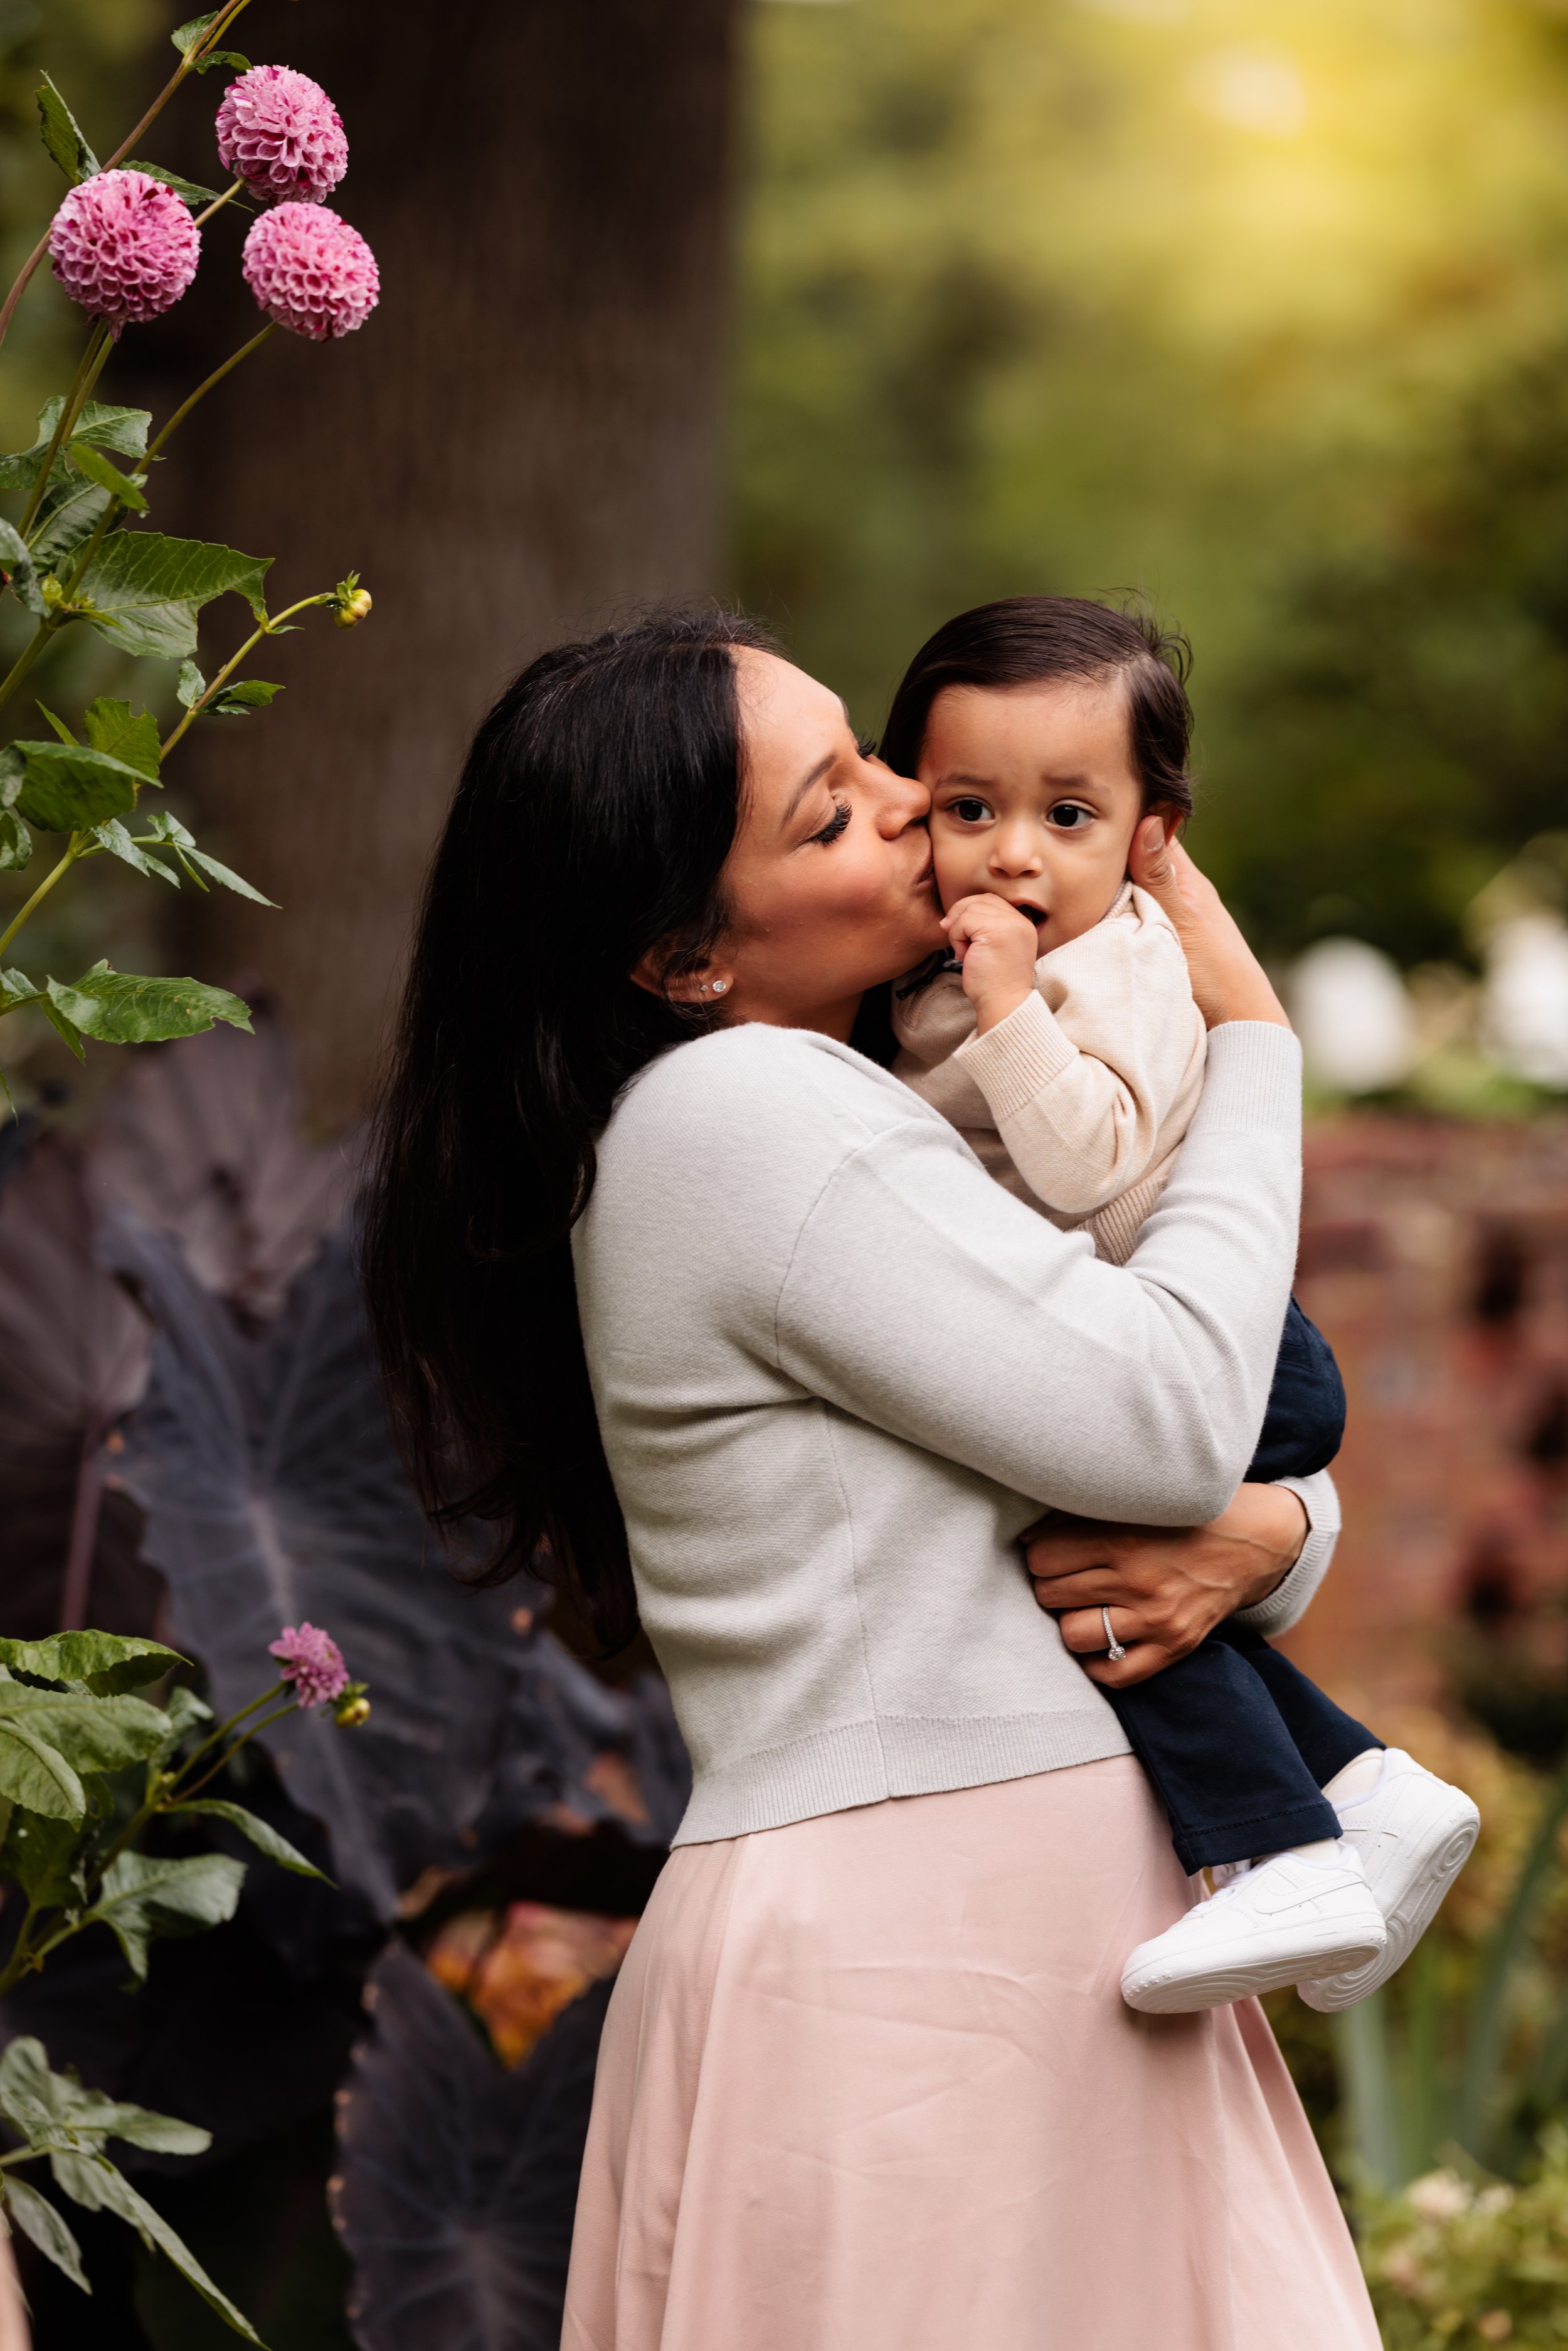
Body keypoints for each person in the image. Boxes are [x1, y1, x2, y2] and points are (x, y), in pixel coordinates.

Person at [362, 610, 1382, 2350]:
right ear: (685, 954)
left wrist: (1279, 1534)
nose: (920, 808)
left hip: (986, 1913)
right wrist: (1255, 1052)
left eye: (872, 759)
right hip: (930, 1949)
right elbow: (1164, 1413)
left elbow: (1109, 1470)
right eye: (832, 813)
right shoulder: (753, 1115)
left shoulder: (860, 1101)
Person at [884, 594, 1479, 2015]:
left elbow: (1086, 1166)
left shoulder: (1114, 968)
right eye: (967, 804)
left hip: (1217, 1346)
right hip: (1150, 1330)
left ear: (1151, 836)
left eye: (1068, 817)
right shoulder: (961, 962)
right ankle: (1357, 1787)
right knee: (1131, 1588)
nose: (1012, 851)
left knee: (1083, 1568)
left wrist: (1011, 1007)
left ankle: (1276, 1850)